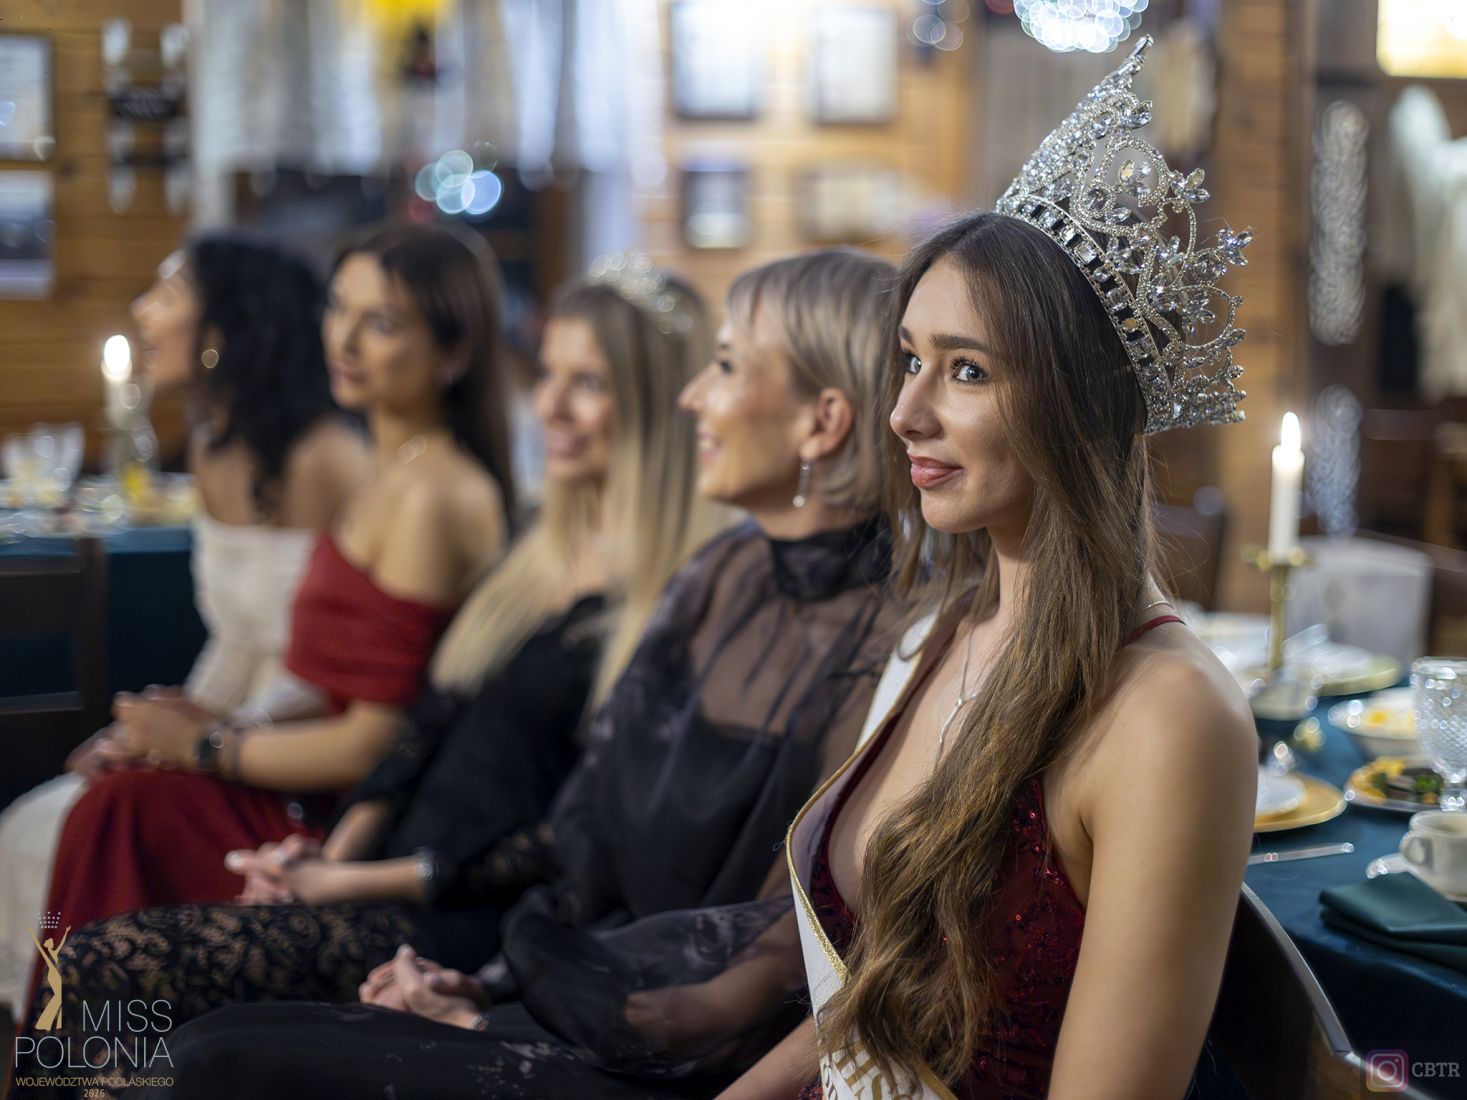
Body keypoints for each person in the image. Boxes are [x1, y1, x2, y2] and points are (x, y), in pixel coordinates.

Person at [144, 248, 904, 1100]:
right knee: (186, 1029)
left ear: (823, 422)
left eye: (724, 368)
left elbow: (780, 959)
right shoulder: (715, 578)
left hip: (636, 1034)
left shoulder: (855, 633)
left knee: (197, 1050)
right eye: (547, 374)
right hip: (563, 977)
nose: (694, 395)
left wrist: (484, 995)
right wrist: (484, 981)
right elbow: (573, 832)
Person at [20, 262, 723, 1093]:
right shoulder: (540, 555)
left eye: (590, 384)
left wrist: (345, 878)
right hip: (381, 869)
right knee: (105, 925)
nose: (552, 406)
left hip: (469, 924)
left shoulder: (671, 599)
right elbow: (417, 734)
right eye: (549, 375)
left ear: (655, 404)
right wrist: (326, 855)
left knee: (108, 962)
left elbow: (567, 838)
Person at [758, 41, 1258, 1099]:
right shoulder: (943, 631)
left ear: (1079, 402)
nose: (905, 411)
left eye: (967, 370)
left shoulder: (1171, 718)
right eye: (910, 359)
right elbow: (867, 1000)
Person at [31, 223, 516, 962]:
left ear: (453, 353)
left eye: (381, 323)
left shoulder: (428, 494)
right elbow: (326, 682)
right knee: (119, 795)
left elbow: (376, 741)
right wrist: (189, 727)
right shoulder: (390, 471)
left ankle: (97, 1034)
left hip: (355, 821)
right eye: (338, 308)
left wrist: (206, 745)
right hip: (309, 775)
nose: (343, 341)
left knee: (119, 811)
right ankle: (92, 1035)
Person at [0, 237, 364, 1017]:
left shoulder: (328, 456)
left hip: (309, 759)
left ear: (224, 328)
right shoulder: (212, 447)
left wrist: (200, 740)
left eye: (166, 293)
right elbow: (240, 637)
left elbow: (335, 661)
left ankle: (107, 1043)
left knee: (92, 818)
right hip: (237, 728)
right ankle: (76, 1038)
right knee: (37, 819)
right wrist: (152, 733)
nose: (143, 311)